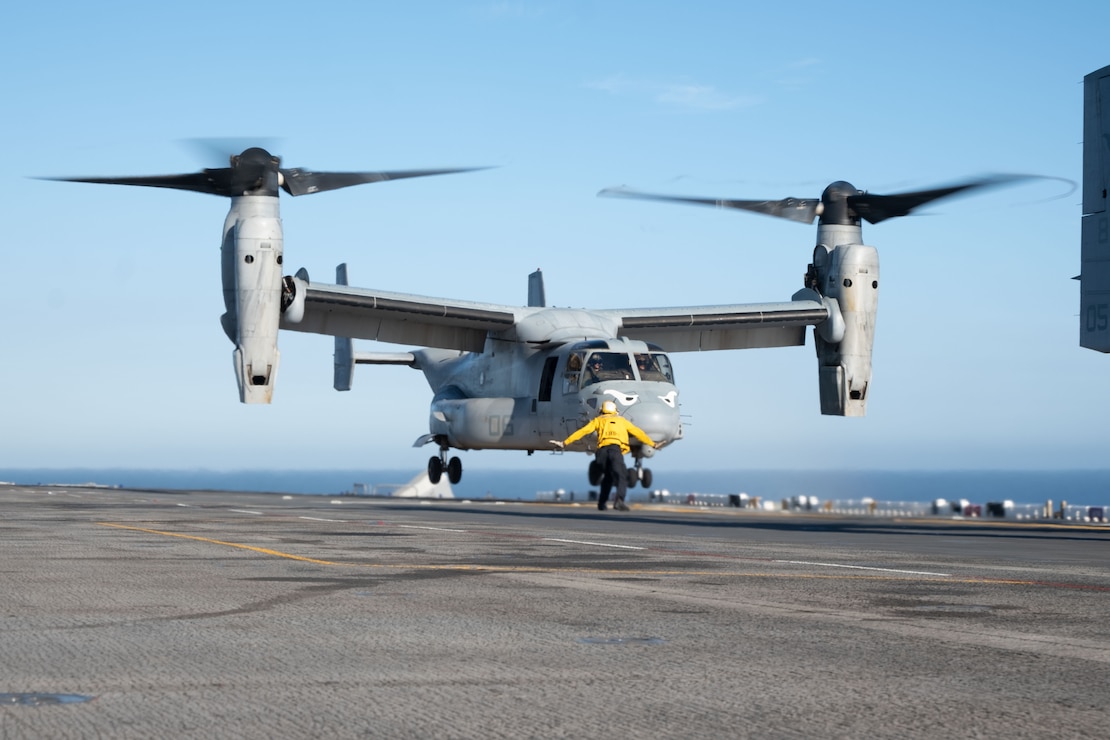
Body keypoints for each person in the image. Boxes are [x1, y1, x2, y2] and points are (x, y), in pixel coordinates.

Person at [556, 400, 655, 511]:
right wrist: (652, 444)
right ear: (615, 411)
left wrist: (565, 442)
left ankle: (602, 503)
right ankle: (619, 501)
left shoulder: (598, 421)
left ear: (602, 411)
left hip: (601, 453)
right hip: (615, 451)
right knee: (621, 476)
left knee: (608, 477)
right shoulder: (622, 421)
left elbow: (582, 432)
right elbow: (638, 433)